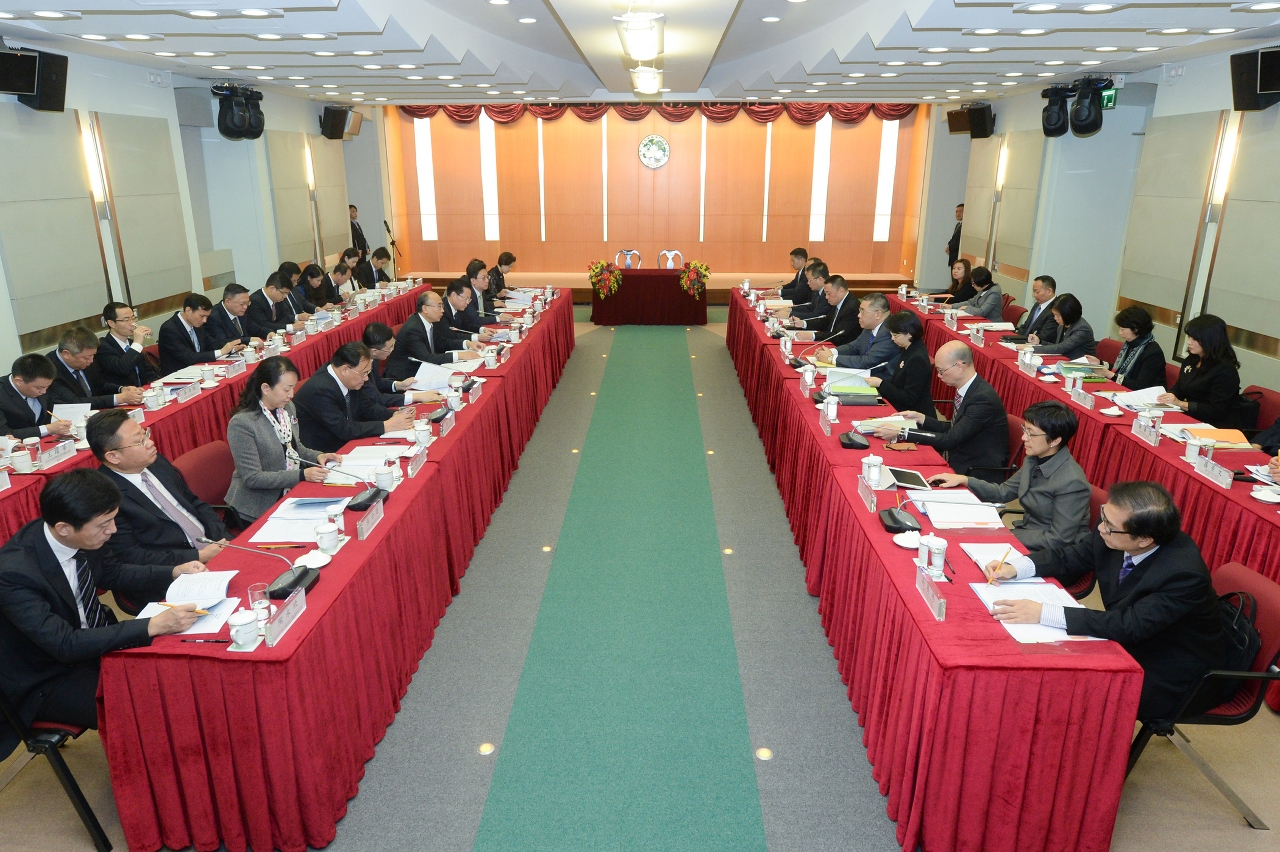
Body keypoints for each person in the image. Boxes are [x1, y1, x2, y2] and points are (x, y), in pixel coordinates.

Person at [0, 468, 205, 759]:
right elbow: (65, 644)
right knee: (147, 707)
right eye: (104, 524)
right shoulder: (13, 573)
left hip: (92, 641)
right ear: (64, 528)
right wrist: (152, 625)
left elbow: (113, 572)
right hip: (47, 675)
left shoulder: (83, 535)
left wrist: (174, 571)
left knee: (178, 671)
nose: (113, 531)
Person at [983, 481, 1231, 721]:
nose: (1101, 528)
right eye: (1103, 516)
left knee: (1069, 686)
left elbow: (1129, 625)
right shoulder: (1114, 531)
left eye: (1109, 525)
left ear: (1144, 539)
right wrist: (1016, 567)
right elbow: (1070, 557)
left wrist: (1043, 613)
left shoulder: (1183, 574)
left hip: (1172, 671)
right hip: (1133, 638)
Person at [928, 401, 1090, 551]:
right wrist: (965, 480)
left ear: (1054, 440)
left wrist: (1006, 536)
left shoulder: (1072, 482)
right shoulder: (1034, 459)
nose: (1023, 438)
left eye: (1031, 434)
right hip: (1027, 536)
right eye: (1024, 430)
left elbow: (1058, 539)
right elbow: (1003, 492)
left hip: (1052, 553)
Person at [88, 410, 229, 565]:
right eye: (139, 441)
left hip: (214, 546)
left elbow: (194, 503)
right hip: (176, 569)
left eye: (145, 434)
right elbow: (132, 556)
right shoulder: (103, 496)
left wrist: (224, 539)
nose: (150, 443)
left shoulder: (156, 463)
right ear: (113, 457)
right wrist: (198, 556)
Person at [872, 340, 1009, 481]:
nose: (938, 376)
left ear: (959, 367)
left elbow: (949, 439)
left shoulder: (982, 399)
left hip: (974, 471)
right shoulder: (970, 389)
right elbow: (956, 428)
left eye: (941, 371)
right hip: (959, 457)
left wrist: (902, 433)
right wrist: (921, 418)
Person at [225, 357, 340, 523]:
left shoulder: (287, 409)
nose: (291, 395)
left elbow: (294, 448)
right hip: (256, 507)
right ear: (266, 388)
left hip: (290, 493)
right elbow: (253, 478)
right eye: (286, 389)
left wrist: (318, 456)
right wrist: (301, 475)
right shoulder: (242, 424)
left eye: (293, 388)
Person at [292, 342, 417, 454]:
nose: (366, 378)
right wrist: (386, 426)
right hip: (324, 453)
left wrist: (394, 415)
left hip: (345, 443)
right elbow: (343, 429)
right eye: (363, 373)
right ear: (345, 370)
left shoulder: (349, 379)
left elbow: (367, 407)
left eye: (368, 373)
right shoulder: (320, 390)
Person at [1157, 314, 1242, 428]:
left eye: (1194, 339)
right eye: (1189, 337)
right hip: (1191, 419)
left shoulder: (1225, 370)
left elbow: (1216, 411)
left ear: (1210, 340)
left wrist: (1180, 403)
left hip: (1215, 427)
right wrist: (1169, 396)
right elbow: (1180, 387)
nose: (1189, 342)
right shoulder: (1191, 359)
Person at [384, 291, 484, 378]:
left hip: (422, 371)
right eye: (439, 306)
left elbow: (442, 343)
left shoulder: (431, 321)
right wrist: (459, 355)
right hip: (403, 376)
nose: (442, 310)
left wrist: (467, 344)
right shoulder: (413, 329)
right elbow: (426, 358)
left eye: (442, 306)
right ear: (425, 308)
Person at [47, 327, 143, 409]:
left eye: (93, 355)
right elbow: (75, 402)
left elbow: (100, 386)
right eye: (86, 357)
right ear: (66, 354)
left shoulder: (88, 358)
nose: (91, 360)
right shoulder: (49, 370)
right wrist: (120, 398)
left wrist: (121, 389)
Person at [865, 310, 935, 418]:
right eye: (891, 335)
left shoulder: (917, 359)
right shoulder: (908, 348)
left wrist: (881, 384)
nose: (892, 339)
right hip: (901, 407)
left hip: (914, 416)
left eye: (896, 335)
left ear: (909, 334)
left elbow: (909, 398)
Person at [361, 322, 445, 409]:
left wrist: (399, 385)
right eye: (389, 348)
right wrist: (416, 397)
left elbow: (377, 382)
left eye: (393, 345)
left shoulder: (371, 354)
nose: (392, 350)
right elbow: (377, 398)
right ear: (374, 351)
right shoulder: (360, 366)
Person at [158, 293, 246, 375]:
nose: (205, 320)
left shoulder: (197, 324)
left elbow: (212, 344)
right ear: (188, 310)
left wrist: (232, 349)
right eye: (202, 316)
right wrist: (221, 352)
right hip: (179, 375)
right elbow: (189, 357)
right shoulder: (169, 329)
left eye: (207, 316)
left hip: (199, 370)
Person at [814, 292, 897, 376]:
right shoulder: (870, 326)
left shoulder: (890, 332)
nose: (859, 315)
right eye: (859, 311)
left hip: (879, 381)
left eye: (863, 311)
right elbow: (854, 347)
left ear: (877, 314)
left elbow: (867, 362)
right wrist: (831, 352)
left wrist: (831, 358)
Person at [1086, 305, 1166, 390]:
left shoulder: (1153, 353)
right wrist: (1099, 363)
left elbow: (1140, 386)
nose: (1120, 333)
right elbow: (1122, 368)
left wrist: (1110, 375)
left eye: (1122, 329)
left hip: (1148, 396)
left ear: (1135, 329)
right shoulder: (1130, 344)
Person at [0, 354, 74, 440]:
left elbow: (56, 404)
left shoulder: (42, 384)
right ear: (19, 381)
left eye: (47, 387)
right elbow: (4, 434)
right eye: (40, 388)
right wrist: (48, 429)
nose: (44, 392)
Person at [94, 302, 159, 392]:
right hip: (123, 398)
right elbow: (122, 369)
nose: (132, 323)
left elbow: (147, 371)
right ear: (111, 323)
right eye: (126, 320)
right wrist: (137, 344)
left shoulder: (133, 344)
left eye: (133, 318)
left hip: (144, 393)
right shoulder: (102, 346)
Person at [788, 275, 861, 348]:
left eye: (829, 293)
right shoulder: (839, 301)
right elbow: (825, 321)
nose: (826, 297)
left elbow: (838, 335)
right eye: (825, 294)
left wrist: (812, 336)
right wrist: (803, 323)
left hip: (842, 348)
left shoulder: (852, 308)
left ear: (840, 291)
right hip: (831, 344)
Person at [1026, 293, 1097, 359]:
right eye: (1054, 315)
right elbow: (1056, 345)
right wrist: (1039, 341)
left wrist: (1031, 348)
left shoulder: (1082, 329)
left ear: (1067, 314)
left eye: (1057, 315)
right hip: (1065, 362)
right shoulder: (1063, 325)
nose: (1055, 318)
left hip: (1082, 367)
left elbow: (1062, 348)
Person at [245, 273, 306, 339]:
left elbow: (284, 317)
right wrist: (291, 327)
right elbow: (263, 325)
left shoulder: (277, 299)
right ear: (272, 288)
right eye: (283, 293)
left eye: (287, 293)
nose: (285, 296)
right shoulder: (255, 301)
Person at [204, 282, 257, 349]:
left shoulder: (241, 311)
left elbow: (254, 327)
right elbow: (222, 342)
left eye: (247, 303)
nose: (245, 307)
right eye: (242, 303)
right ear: (228, 301)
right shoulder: (214, 317)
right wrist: (248, 340)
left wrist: (268, 332)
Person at [1015, 275, 1058, 339]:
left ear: (1049, 291)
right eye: (1034, 291)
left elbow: (1044, 336)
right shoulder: (1037, 304)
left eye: (1037, 292)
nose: (1034, 295)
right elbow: (1026, 325)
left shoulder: (1056, 310)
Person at [945, 203, 963, 268]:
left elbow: (959, 242)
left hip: (958, 257)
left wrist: (950, 247)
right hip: (953, 258)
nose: (958, 213)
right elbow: (953, 238)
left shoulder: (965, 227)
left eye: (961, 211)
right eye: (956, 211)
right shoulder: (958, 225)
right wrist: (948, 245)